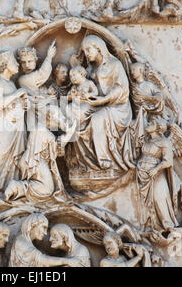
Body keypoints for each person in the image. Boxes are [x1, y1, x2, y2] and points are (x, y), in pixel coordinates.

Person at [66, 35, 134, 183]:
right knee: (72, 112)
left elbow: (121, 89)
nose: (87, 53)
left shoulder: (114, 64)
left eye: (89, 49)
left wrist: (105, 99)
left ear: (99, 48)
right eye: (84, 50)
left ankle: (104, 161)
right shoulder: (89, 70)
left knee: (98, 118)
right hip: (97, 104)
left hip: (116, 107)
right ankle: (82, 162)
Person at [0, 51, 27, 190]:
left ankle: (4, 187)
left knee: (12, 159)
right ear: (5, 64)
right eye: (14, 62)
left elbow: (12, 104)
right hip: (4, 127)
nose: (17, 65)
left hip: (15, 127)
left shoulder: (9, 83)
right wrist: (16, 94)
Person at [9, 213, 83, 267]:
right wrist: (67, 261)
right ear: (33, 225)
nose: (45, 233)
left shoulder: (26, 242)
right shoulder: (21, 241)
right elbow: (42, 260)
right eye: (44, 227)